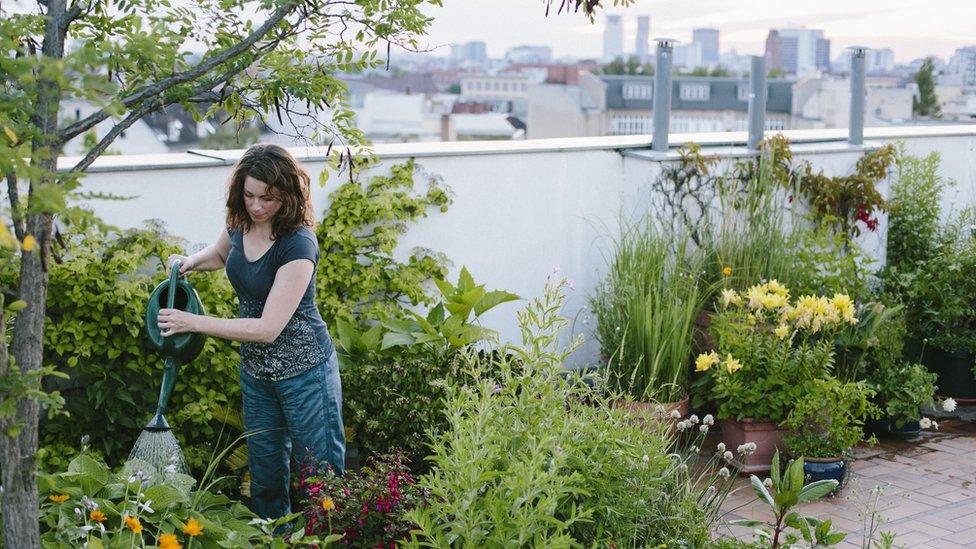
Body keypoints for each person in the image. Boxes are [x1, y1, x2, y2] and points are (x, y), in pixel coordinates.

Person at [157, 143, 344, 519]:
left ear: (288, 195)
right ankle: (273, 539)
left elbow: (267, 328)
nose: (256, 206)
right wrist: (190, 261)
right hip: (258, 375)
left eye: (268, 198)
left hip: (306, 374)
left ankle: (327, 540)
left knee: (320, 477)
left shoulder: (298, 244)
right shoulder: (240, 223)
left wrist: (191, 322)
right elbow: (223, 254)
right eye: (249, 195)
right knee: (265, 477)